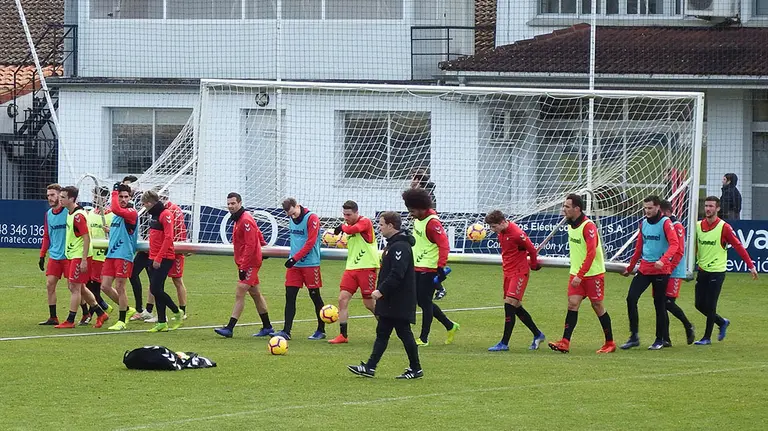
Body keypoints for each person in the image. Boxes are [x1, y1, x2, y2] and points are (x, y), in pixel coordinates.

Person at [347, 211, 423, 380]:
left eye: (381, 224)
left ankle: (416, 368)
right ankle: (370, 367)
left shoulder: (400, 247)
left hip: (399, 299)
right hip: (390, 300)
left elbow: (397, 273)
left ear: (390, 225)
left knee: (404, 333)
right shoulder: (393, 245)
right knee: (382, 332)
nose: (379, 228)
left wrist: (380, 291)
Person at [548, 194, 616, 354]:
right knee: (572, 304)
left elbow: (591, 253)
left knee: (597, 306)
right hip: (576, 274)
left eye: (567, 206)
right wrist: (577, 274)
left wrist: (581, 274)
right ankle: (565, 342)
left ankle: (610, 343)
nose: (563, 209)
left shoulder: (588, 226)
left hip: (592, 275)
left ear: (577, 209)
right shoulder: (570, 224)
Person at [693, 196, 757, 345]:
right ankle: (722, 322)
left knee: (710, 304)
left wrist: (751, 266)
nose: (708, 209)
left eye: (711, 206)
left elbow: (738, 246)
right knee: (699, 304)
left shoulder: (724, 227)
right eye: (706, 206)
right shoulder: (697, 226)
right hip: (702, 270)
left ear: (718, 209)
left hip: (717, 271)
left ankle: (706, 338)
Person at [620, 195, 680, 351]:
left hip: (661, 270)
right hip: (645, 269)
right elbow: (639, 248)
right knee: (631, 298)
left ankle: (659, 339)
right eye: (645, 208)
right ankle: (634, 336)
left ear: (658, 207)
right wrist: (630, 267)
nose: (647, 211)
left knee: (659, 304)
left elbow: (675, 245)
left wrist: (664, 260)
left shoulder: (666, 223)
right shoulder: (644, 224)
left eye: (650, 208)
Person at [401, 188, 459, 346]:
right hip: (417, 266)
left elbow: (444, 245)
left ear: (421, 207)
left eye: (412, 210)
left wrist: (440, 267)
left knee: (425, 302)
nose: (410, 213)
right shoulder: (418, 220)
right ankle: (450, 325)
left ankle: (424, 338)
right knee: (421, 301)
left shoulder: (433, 223)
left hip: (429, 268)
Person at [214, 192, 274, 338]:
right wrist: (264, 246)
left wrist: (243, 267)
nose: (230, 206)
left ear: (240, 203)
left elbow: (250, 244)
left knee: (240, 292)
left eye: (233, 203)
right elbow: (257, 233)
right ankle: (267, 327)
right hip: (247, 262)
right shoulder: (240, 219)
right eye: (228, 204)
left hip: (250, 263)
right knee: (255, 294)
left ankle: (229, 328)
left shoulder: (245, 220)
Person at [484, 210, 546, 351]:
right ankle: (538, 334)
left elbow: (532, 249)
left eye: (493, 227)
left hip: (519, 273)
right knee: (516, 307)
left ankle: (504, 343)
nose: (492, 230)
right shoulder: (502, 233)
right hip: (508, 273)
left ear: (501, 222)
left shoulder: (517, 234)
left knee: (509, 305)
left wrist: (535, 265)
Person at [54, 186, 109, 329]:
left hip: (79, 256)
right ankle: (100, 312)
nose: (60, 199)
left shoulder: (78, 216)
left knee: (75, 287)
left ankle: (70, 320)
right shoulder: (70, 212)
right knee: (79, 287)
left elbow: (86, 238)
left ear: (72, 199)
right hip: (73, 255)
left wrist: (84, 259)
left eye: (63, 197)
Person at [274, 198, 326, 340]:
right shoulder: (291, 217)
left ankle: (321, 330)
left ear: (297, 206)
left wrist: (294, 258)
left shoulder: (312, 218)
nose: (292, 216)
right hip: (295, 266)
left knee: (315, 296)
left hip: (310, 264)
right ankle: (286, 331)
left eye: (293, 213)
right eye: (289, 215)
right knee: (289, 296)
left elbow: (310, 242)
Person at [328, 200, 380, 344]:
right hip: (351, 269)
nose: (346, 217)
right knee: (342, 299)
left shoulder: (365, 222)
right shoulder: (348, 226)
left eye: (349, 214)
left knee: (369, 304)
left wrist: (342, 227)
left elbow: (351, 230)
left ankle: (385, 327)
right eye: (344, 214)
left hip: (367, 267)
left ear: (357, 213)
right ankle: (343, 335)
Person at [141, 190, 183, 333]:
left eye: (144, 204)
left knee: (155, 289)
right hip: (153, 257)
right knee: (158, 289)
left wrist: (159, 257)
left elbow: (168, 238)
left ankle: (177, 312)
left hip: (164, 258)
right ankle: (162, 322)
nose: (144, 207)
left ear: (150, 203)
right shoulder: (155, 215)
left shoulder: (166, 215)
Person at [101, 183, 140, 330]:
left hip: (123, 255)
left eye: (125, 196)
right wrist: (110, 230)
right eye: (121, 196)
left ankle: (122, 320)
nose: (123, 199)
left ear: (130, 198)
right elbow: (121, 231)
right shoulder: (117, 216)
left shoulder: (131, 212)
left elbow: (116, 208)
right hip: (112, 254)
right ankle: (128, 309)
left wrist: (114, 192)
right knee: (105, 286)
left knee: (120, 287)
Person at [659, 200, 696, 345]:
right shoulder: (663, 225)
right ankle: (666, 338)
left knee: (667, 303)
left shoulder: (677, 226)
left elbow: (679, 251)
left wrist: (670, 267)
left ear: (667, 212)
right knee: (661, 304)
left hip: (674, 270)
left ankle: (688, 325)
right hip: (663, 269)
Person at [410, 168, 445, 301]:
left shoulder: (427, 192)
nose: (411, 180)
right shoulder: (419, 192)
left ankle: (440, 288)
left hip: (428, 228)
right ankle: (437, 288)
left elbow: (428, 207)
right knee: (419, 262)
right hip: (420, 228)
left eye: (414, 177)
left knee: (426, 262)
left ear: (419, 179)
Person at [38, 184, 69, 325]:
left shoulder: (69, 212)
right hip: (55, 255)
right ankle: (53, 317)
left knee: (75, 287)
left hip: (69, 255)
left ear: (59, 196)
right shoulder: (49, 214)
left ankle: (87, 312)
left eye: (52, 195)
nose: (49, 198)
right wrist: (42, 255)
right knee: (50, 284)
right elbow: (46, 236)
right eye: (48, 195)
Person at [84, 186, 115, 322]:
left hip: (103, 255)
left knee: (95, 286)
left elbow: (117, 233)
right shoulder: (91, 213)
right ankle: (100, 309)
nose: (95, 198)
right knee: (88, 285)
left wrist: (110, 231)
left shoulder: (111, 215)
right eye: (94, 196)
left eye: (98, 196)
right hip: (92, 252)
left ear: (105, 198)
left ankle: (101, 310)